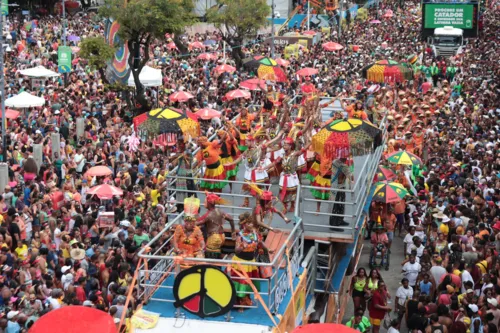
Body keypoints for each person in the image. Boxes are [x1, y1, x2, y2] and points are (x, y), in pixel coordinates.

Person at [230, 214, 269, 309]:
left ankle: (246, 300)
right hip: (241, 262)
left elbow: (260, 242)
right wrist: (241, 246)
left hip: (251, 262)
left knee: (249, 282)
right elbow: (236, 250)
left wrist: (268, 249)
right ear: (244, 225)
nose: (251, 225)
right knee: (241, 282)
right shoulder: (240, 236)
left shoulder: (255, 233)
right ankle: (239, 303)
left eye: (252, 222)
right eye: (248, 223)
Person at [196, 193, 235, 258]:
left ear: (209, 203)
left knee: (210, 256)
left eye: (205, 201)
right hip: (222, 236)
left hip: (214, 238)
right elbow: (231, 219)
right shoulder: (219, 211)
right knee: (216, 252)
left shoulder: (208, 215)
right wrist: (233, 232)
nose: (204, 203)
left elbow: (196, 224)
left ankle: (214, 266)